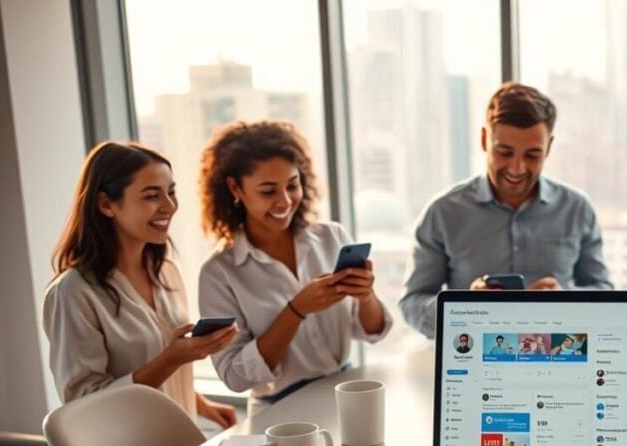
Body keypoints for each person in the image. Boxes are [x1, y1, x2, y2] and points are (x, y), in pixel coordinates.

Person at [197, 121, 391, 416]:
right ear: (235, 187)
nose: (285, 201)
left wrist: (366, 296)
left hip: (345, 399)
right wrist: (295, 310)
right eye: (268, 191)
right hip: (279, 417)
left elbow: (374, 331)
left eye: (292, 185)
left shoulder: (331, 237)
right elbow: (234, 376)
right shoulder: (219, 273)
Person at [43, 142, 238, 428]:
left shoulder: (166, 272)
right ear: (106, 204)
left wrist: (201, 405)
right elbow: (84, 404)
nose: (169, 206)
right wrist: (170, 359)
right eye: (151, 196)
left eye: (171, 192)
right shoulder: (73, 292)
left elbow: (146, 363)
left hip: (179, 442)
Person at [400, 82, 613, 338]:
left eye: (532, 155)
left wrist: (567, 300)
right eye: (505, 152)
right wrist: (465, 307)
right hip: (474, 358)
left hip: (561, 354)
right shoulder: (443, 212)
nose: (517, 168)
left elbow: (603, 292)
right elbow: (412, 302)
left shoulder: (577, 209)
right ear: (483, 140)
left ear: (549, 147)